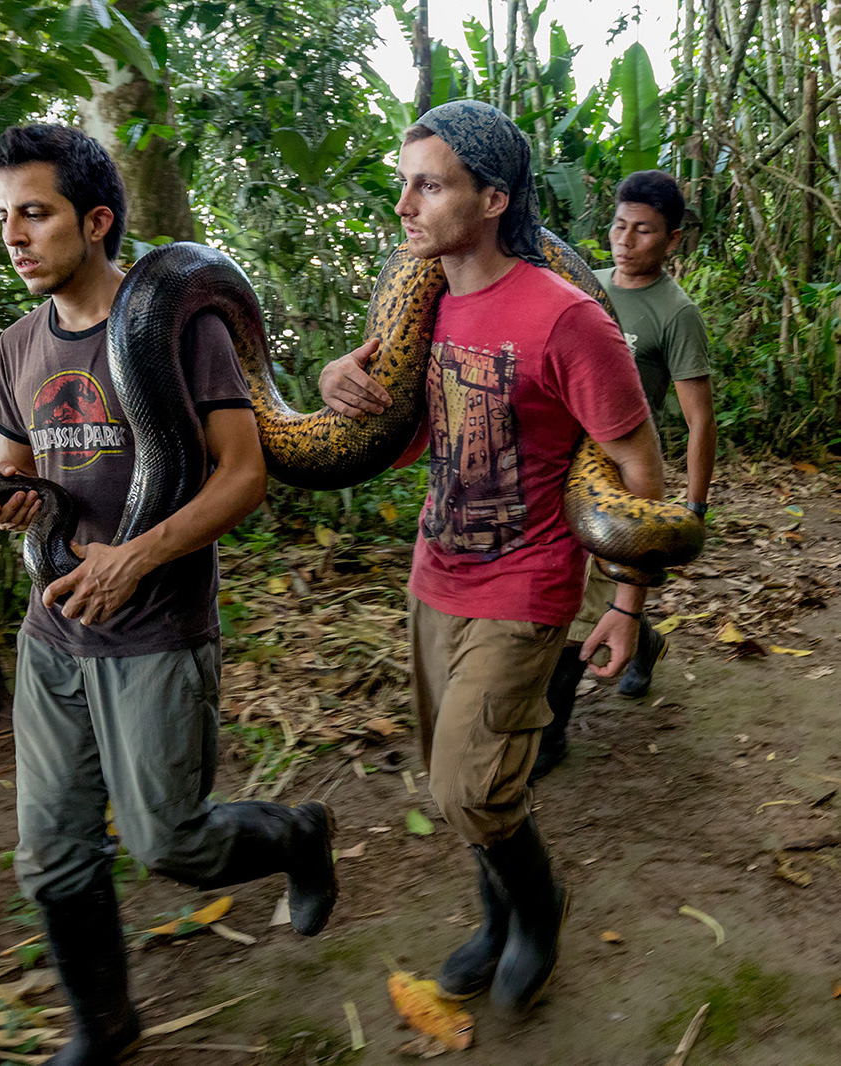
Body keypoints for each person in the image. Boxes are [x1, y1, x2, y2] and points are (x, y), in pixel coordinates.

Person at [0, 124, 338, 1066]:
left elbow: (242, 475)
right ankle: (104, 1028)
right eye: (3, 215)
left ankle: (299, 835)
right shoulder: (17, 347)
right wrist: (11, 505)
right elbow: (22, 475)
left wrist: (133, 558)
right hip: (54, 632)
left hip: (155, 629)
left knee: (170, 843)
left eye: (36, 213)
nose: (15, 234)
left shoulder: (184, 324)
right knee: (51, 854)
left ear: (96, 221)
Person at [318, 100, 665, 1014]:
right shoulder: (425, 312)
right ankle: (495, 917)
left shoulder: (568, 318)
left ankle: (539, 904)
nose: (405, 206)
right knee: (467, 782)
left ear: (493, 198)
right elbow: (406, 439)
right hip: (436, 575)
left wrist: (626, 606)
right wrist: (335, 383)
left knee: (467, 784)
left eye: (429, 185)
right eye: (405, 183)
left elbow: (639, 467)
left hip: (530, 582)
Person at [532, 170, 717, 781]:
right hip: (559, 464)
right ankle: (647, 638)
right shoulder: (586, 288)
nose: (625, 239)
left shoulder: (676, 313)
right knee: (566, 587)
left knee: (581, 605)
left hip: (619, 474)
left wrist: (690, 506)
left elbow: (698, 420)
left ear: (672, 241)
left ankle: (551, 734)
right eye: (618, 225)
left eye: (643, 230)